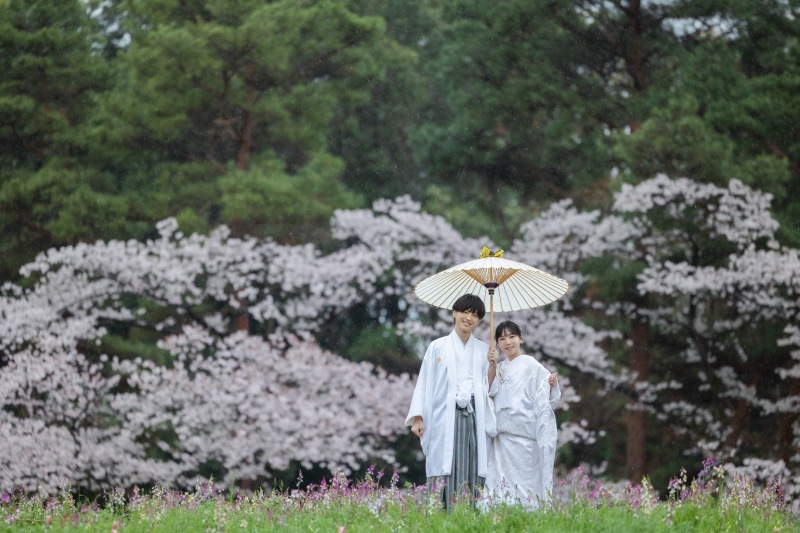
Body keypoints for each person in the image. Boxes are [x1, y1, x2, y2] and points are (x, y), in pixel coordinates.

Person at [405, 294, 496, 511]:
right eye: (465, 312)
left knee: (473, 463)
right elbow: (425, 382)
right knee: (444, 464)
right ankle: (441, 516)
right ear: (454, 313)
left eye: (475, 315)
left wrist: (493, 365)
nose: (469, 318)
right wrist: (418, 417)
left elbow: (489, 388)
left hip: (474, 417)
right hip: (443, 416)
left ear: (479, 320)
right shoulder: (437, 347)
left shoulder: (484, 350)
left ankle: (469, 515)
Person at [483, 320, 560, 510]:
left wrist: (549, 384)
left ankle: (530, 519)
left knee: (527, 486)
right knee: (500, 484)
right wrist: (492, 364)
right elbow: (490, 392)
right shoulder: (500, 367)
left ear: (521, 339)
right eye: (502, 338)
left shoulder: (531, 365)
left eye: (511, 337)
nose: (507, 342)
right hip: (503, 438)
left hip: (525, 438)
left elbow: (546, 394)